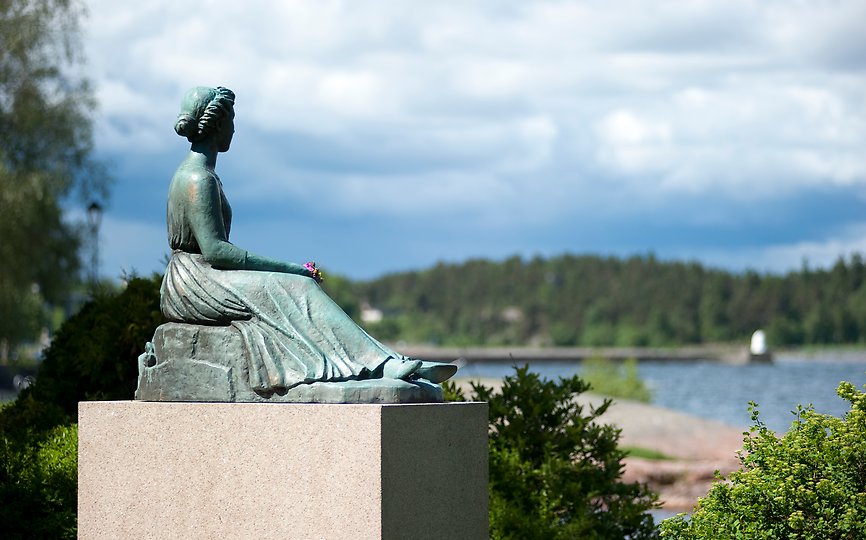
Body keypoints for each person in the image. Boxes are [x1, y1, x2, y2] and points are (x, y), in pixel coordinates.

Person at [161, 86, 454, 394]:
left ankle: (385, 360)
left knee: (294, 287)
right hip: (194, 282)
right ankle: (378, 365)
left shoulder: (201, 174)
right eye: (232, 120)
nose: (234, 129)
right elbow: (216, 251)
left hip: (202, 275)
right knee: (297, 286)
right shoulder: (198, 179)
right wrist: (289, 268)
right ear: (218, 124)